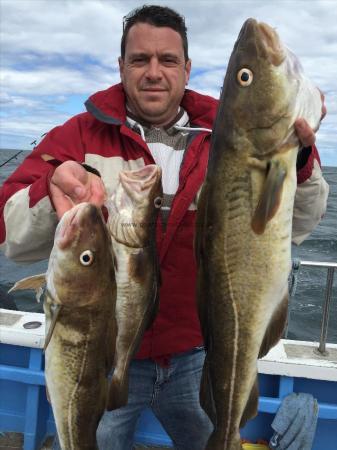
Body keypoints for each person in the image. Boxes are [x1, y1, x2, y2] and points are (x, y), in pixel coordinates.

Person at [0, 5, 329, 450]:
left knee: (218, 432)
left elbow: (297, 225)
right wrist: (49, 190)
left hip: (199, 352)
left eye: (168, 60)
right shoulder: (76, 136)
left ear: (188, 68)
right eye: (140, 59)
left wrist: (299, 162)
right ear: (121, 66)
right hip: (106, 357)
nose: (154, 72)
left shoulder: (228, 131)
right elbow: (9, 235)